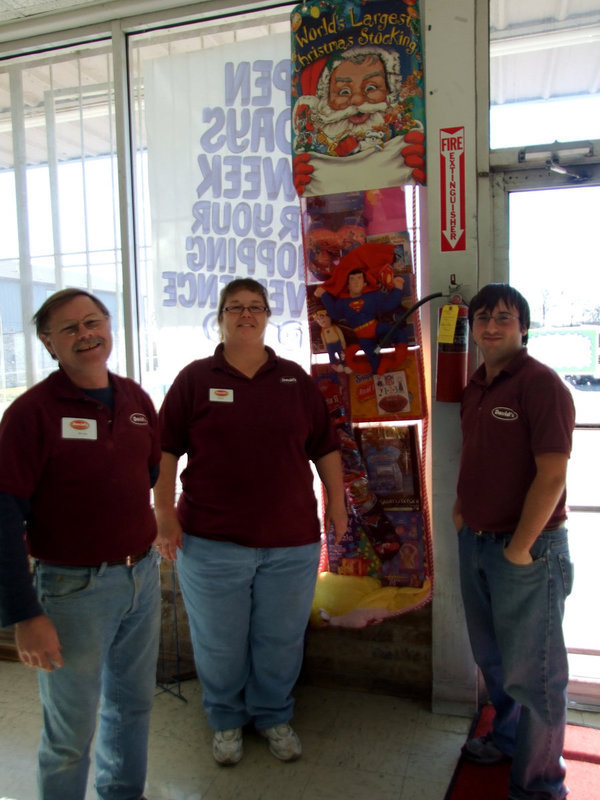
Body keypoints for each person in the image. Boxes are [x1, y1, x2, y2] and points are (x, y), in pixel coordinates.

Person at [154, 277, 347, 766]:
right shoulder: (195, 379)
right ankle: (225, 721)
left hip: (291, 543)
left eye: (255, 307)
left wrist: (339, 508)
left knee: (280, 641)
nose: (246, 314)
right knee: (219, 644)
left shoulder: (295, 381)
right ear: (219, 317)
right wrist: (163, 513)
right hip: (210, 542)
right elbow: (164, 451)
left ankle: (273, 716)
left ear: (267, 316)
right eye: (234, 307)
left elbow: (324, 447)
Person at [0, 289, 161, 800]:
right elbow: (3, 517)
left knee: (132, 709)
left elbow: (147, 474)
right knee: (70, 736)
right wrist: (25, 614)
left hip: (142, 575)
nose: (86, 334)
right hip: (73, 591)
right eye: (69, 329)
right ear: (48, 342)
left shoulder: (135, 399)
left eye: (93, 322)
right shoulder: (31, 414)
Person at [452, 284, 575, 800]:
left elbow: (552, 476)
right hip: (476, 543)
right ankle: (505, 739)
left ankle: (540, 784)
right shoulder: (476, 386)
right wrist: (462, 510)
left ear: (523, 326)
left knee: (537, 673)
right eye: (483, 318)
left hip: (528, 551)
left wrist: (521, 548)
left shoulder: (542, 385)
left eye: (504, 317)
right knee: (494, 659)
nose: (492, 326)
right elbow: (477, 455)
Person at [292, 46, 425, 195]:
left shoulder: (399, 132)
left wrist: (422, 159)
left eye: (371, 88)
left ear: (389, 91)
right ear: (326, 100)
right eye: (344, 91)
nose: (358, 100)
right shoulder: (317, 143)